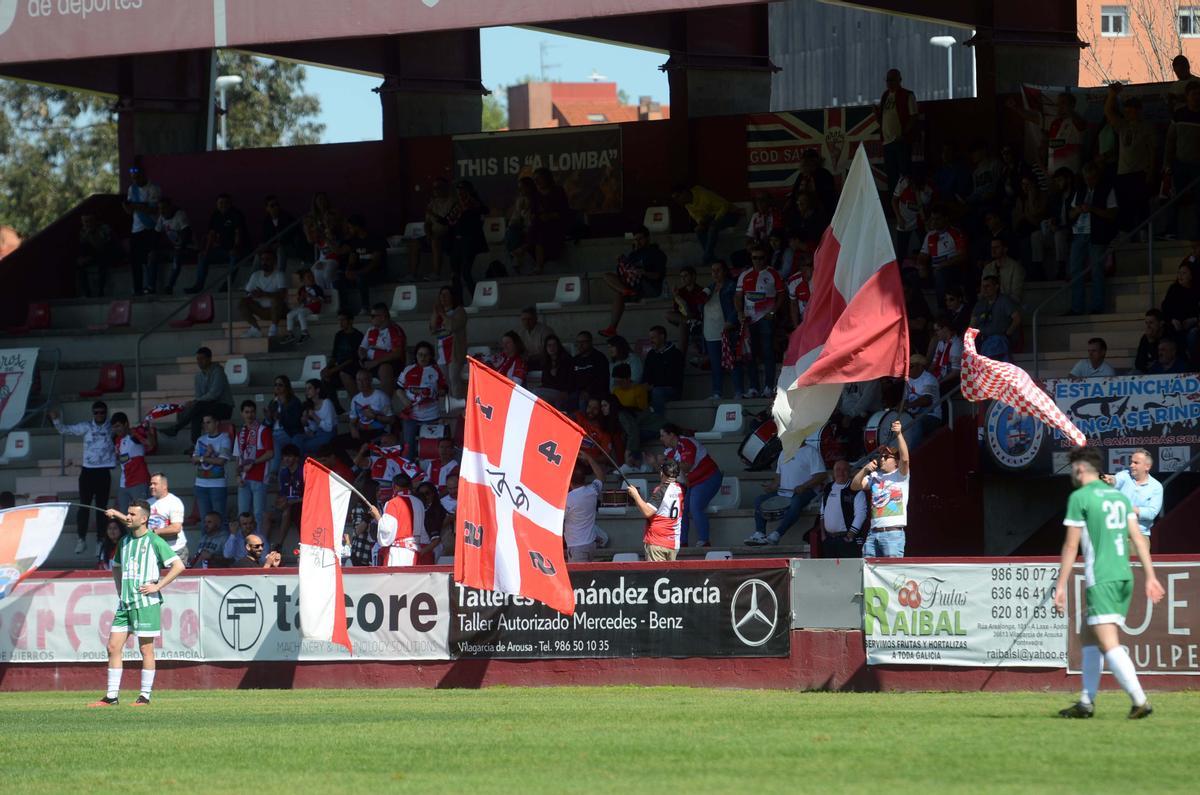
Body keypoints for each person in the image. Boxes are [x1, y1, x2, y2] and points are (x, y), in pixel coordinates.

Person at [1054, 446, 1164, 720]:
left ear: (1080, 470)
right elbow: (1138, 539)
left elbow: (1070, 545)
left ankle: (1140, 701)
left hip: (1102, 576)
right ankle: (1086, 702)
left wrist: (1060, 586)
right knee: (1087, 633)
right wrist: (1150, 576)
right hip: (1123, 574)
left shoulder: (1080, 497)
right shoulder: (1119, 498)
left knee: (1108, 642)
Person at [90, 500, 185, 706]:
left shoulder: (154, 541)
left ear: (144, 519)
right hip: (125, 603)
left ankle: (144, 696)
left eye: (132, 514)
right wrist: (119, 588)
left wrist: (158, 586)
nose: (129, 517)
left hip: (146, 602)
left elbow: (178, 565)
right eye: (128, 514)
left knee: (146, 649)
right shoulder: (124, 541)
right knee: (113, 646)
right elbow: (116, 566)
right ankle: (112, 697)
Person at [49, 403, 115, 554]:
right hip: (87, 472)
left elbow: (126, 433)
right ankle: (81, 539)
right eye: (96, 412)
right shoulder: (86, 426)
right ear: (93, 413)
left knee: (101, 508)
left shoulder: (112, 428)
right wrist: (56, 420)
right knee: (84, 506)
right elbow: (64, 430)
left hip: (104, 472)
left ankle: (100, 541)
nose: (99, 415)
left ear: (106, 413)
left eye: (102, 412)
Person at [745, 439, 827, 546]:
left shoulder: (811, 452)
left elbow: (821, 475)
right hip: (783, 493)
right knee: (759, 500)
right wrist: (771, 486)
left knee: (796, 501)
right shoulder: (784, 453)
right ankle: (760, 533)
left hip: (807, 492)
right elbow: (779, 476)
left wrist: (804, 486)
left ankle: (777, 534)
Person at [851, 420, 910, 558]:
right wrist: (865, 470)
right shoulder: (874, 476)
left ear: (895, 462)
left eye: (886, 456)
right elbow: (854, 486)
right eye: (880, 456)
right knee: (868, 569)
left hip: (893, 533)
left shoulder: (900, 475)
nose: (881, 459)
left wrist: (899, 434)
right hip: (873, 532)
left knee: (892, 572)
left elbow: (905, 459)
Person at [1103, 84, 1158, 233]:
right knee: (1124, 208)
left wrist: (1151, 173)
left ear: (1139, 111)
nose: (1127, 115)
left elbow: (1153, 151)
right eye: (1126, 112)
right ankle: (1126, 237)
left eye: (1131, 112)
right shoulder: (1122, 126)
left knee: (1141, 208)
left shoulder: (1148, 127)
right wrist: (1112, 94)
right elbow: (1108, 112)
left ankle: (1144, 238)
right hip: (1123, 173)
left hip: (1140, 173)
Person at [1066, 162, 1118, 316]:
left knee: (1097, 270)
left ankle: (1097, 306)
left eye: (1092, 178)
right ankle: (1076, 307)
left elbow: (1113, 214)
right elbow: (1070, 214)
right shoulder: (1080, 190)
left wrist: (1093, 209)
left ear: (1097, 177)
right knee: (1075, 270)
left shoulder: (1107, 189)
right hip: (1079, 234)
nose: (1089, 181)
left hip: (1097, 235)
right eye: (1087, 178)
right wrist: (1078, 210)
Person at [660, 423, 723, 547]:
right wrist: (656, 464)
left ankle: (704, 541)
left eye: (662, 435)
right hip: (692, 483)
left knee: (695, 506)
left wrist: (667, 462)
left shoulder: (686, 442)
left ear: (672, 435)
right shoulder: (668, 452)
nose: (660, 439)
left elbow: (687, 465)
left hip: (708, 477)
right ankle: (682, 542)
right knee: (681, 509)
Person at [599, 225, 668, 338]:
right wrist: (622, 262)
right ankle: (612, 328)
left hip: (650, 286)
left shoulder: (657, 254)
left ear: (648, 238)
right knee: (607, 277)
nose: (637, 242)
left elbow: (657, 276)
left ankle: (626, 291)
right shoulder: (633, 254)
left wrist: (643, 272)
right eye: (635, 239)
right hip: (633, 286)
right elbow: (624, 272)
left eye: (640, 239)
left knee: (621, 292)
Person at [735, 244, 784, 397]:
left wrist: (773, 311)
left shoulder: (773, 273)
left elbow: (782, 295)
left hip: (765, 318)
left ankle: (769, 387)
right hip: (749, 320)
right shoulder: (744, 275)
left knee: (768, 352)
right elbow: (738, 296)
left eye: (761, 257)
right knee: (750, 353)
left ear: (766, 258)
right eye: (754, 258)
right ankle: (754, 388)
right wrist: (739, 312)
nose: (757, 261)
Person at [163, 347, 235, 443]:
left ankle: (176, 428)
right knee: (196, 413)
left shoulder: (218, 372)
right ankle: (195, 444)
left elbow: (214, 394)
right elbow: (199, 397)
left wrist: (195, 402)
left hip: (224, 407)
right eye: (198, 359)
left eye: (202, 358)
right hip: (206, 407)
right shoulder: (198, 377)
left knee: (197, 407)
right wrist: (194, 403)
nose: (199, 361)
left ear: (209, 359)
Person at [187, 193, 248, 293]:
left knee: (235, 257)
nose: (223, 205)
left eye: (226, 203)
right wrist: (206, 250)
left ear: (230, 204)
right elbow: (211, 234)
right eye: (220, 203)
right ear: (217, 204)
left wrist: (236, 247)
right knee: (202, 257)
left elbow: (238, 232)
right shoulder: (215, 215)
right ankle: (198, 286)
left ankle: (226, 287)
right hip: (222, 250)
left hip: (238, 249)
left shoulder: (236, 214)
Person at [397, 341, 448, 458]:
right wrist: (405, 400)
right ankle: (408, 473)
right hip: (411, 416)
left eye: (426, 355)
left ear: (431, 356)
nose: (423, 357)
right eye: (420, 354)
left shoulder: (436, 370)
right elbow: (398, 388)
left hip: (431, 416)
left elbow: (444, 390)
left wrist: (434, 393)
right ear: (416, 355)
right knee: (408, 447)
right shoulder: (408, 370)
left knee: (429, 449)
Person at [628, 458, 685, 562]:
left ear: (661, 473)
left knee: (656, 577)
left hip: (657, 542)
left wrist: (636, 495)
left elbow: (647, 512)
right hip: (674, 543)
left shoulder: (660, 490)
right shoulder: (681, 488)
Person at [700, 261, 741, 399]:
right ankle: (717, 393)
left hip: (726, 330)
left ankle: (738, 392)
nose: (715, 273)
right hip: (710, 332)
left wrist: (731, 321)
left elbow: (737, 306)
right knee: (716, 365)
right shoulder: (709, 288)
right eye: (712, 270)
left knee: (732, 362)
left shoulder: (731, 286)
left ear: (724, 271)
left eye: (718, 270)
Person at [1101, 449, 1163, 540]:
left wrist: (1124, 507)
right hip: (1116, 533)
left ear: (1147, 467)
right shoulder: (1125, 474)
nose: (1131, 465)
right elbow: (1115, 480)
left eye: (1136, 463)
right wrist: (1110, 480)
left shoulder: (1156, 487)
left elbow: (1151, 513)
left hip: (1140, 535)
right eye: (1131, 462)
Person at [1166, 80, 1200, 241]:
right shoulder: (1179, 115)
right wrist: (1167, 163)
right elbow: (1170, 140)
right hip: (1180, 163)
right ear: (1187, 96)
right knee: (1175, 198)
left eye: (1199, 94)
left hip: (1198, 166)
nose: (1197, 97)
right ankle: (1171, 231)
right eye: (1194, 94)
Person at [672, 183, 738, 265]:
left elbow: (724, 205)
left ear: (684, 193)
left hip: (729, 214)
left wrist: (716, 220)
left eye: (678, 197)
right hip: (711, 218)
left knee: (713, 227)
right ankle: (711, 257)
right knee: (699, 230)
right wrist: (702, 223)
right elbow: (698, 218)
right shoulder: (688, 205)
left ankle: (707, 256)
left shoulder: (703, 195)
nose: (677, 201)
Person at [877, 68, 918, 195]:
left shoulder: (908, 95)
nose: (888, 82)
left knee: (904, 174)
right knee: (892, 176)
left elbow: (914, 116)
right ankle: (894, 204)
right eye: (887, 80)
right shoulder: (885, 96)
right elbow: (883, 119)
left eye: (891, 80)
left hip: (900, 141)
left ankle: (907, 201)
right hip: (887, 142)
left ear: (899, 80)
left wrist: (903, 135)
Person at [234, 401, 273, 532]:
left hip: (259, 478)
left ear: (255, 413)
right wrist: (237, 475)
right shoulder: (240, 434)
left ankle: (259, 543)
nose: (249, 415)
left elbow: (270, 453)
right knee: (242, 515)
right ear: (242, 414)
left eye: (252, 412)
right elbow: (238, 458)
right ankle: (244, 545)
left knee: (258, 514)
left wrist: (253, 462)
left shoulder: (263, 430)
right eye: (246, 412)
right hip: (244, 479)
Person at [918, 207, 968, 309]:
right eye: (932, 219)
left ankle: (942, 310)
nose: (934, 222)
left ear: (945, 219)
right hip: (934, 269)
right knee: (911, 277)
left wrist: (943, 265)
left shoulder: (955, 233)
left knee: (940, 274)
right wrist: (921, 265)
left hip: (952, 269)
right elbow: (922, 255)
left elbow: (962, 255)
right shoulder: (930, 235)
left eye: (938, 219)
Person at [122, 164, 161, 296]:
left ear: (144, 175)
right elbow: (129, 210)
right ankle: (137, 288)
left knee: (151, 258)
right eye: (133, 178)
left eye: (137, 177)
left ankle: (151, 286)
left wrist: (135, 206)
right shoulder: (131, 189)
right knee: (135, 261)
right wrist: (133, 206)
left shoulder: (153, 188)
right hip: (136, 230)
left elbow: (153, 209)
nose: (135, 180)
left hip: (150, 228)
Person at [818, 459, 868, 558]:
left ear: (850, 472)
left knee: (850, 571)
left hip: (847, 539)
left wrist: (850, 536)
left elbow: (861, 514)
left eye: (845, 470)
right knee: (831, 571)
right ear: (833, 472)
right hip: (829, 540)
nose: (841, 472)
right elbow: (822, 513)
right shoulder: (828, 488)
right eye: (838, 469)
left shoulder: (855, 490)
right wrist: (823, 535)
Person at [449, 180, 489, 302]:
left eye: (463, 190)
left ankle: (476, 300)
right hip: (457, 242)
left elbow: (484, 211)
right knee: (455, 275)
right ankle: (458, 302)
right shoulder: (457, 205)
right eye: (458, 190)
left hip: (470, 242)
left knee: (466, 273)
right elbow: (450, 220)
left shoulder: (475, 203)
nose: (460, 193)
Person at [377, 473, 429, 567]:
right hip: (415, 550)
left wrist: (377, 517)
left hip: (398, 553)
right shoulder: (419, 502)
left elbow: (387, 530)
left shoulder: (393, 503)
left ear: (395, 486)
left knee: (396, 580)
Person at [338, 214, 386, 314]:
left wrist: (358, 273)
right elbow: (352, 259)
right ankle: (344, 308)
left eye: (350, 227)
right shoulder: (354, 240)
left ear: (357, 226)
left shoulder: (375, 238)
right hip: (360, 271)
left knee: (361, 277)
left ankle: (365, 306)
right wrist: (348, 270)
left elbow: (375, 262)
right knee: (339, 279)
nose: (349, 230)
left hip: (376, 272)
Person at [411, 177, 457, 281]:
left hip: (449, 235)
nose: (435, 190)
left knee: (435, 240)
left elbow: (447, 222)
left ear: (446, 188)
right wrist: (428, 234)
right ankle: (412, 275)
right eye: (434, 188)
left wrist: (432, 213)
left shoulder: (452, 202)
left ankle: (436, 273)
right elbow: (427, 223)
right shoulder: (432, 203)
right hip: (433, 234)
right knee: (415, 243)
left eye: (438, 187)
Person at [145, 196, 192, 296]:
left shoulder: (179, 215)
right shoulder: (161, 217)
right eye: (160, 209)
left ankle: (170, 286)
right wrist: (152, 249)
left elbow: (187, 233)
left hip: (187, 249)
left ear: (170, 207)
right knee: (152, 255)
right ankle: (150, 287)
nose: (161, 211)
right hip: (173, 249)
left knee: (177, 255)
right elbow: (156, 235)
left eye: (164, 208)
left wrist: (180, 247)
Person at [358, 303, 407, 396]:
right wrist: (364, 360)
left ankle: (386, 405)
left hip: (391, 363)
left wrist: (376, 362)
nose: (370, 319)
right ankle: (362, 403)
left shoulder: (395, 330)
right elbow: (362, 348)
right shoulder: (371, 330)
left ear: (383, 317)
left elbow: (397, 353)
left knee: (384, 368)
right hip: (370, 362)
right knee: (356, 372)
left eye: (373, 316)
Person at [238, 248, 287, 339]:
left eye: (268, 259)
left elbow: (283, 295)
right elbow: (248, 291)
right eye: (263, 259)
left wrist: (264, 294)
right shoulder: (256, 275)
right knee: (242, 302)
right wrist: (252, 294)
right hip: (261, 310)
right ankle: (255, 329)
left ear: (274, 261)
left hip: (278, 311)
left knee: (276, 300)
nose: (265, 262)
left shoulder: (279, 274)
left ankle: (273, 328)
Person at [528, 167, 570, 274]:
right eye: (535, 179)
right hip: (539, 227)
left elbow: (564, 211)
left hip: (556, 226)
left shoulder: (558, 191)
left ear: (546, 178)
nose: (537, 181)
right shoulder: (535, 195)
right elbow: (533, 213)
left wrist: (550, 216)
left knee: (540, 231)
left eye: (539, 178)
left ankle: (538, 265)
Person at [564, 456, 605, 562]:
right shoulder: (593, 491)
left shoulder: (568, 499)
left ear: (570, 480)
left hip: (576, 546)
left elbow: (558, 519)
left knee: (578, 578)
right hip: (591, 544)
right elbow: (601, 476)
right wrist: (589, 458)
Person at [429, 284, 468, 396]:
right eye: (441, 295)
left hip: (454, 352)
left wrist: (442, 314)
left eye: (446, 295)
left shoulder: (459, 311)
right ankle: (451, 406)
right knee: (446, 382)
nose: (443, 297)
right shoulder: (437, 313)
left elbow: (452, 326)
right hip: (441, 353)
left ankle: (459, 407)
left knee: (454, 379)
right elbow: (432, 330)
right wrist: (436, 314)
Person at [971, 275, 1022, 360]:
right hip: (983, 341)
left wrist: (1007, 334)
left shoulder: (1004, 301)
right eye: (983, 286)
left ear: (996, 287)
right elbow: (972, 325)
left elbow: (1017, 319)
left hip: (999, 340)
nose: (984, 289)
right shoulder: (980, 304)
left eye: (988, 286)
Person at [192, 414, 231, 524]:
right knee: (205, 521)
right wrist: (207, 456)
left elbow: (221, 461)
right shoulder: (201, 439)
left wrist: (202, 458)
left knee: (220, 519)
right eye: (204, 423)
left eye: (208, 422)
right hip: (200, 484)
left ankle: (221, 541)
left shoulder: (224, 438)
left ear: (216, 423)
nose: (205, 425)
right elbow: (193, 460)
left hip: (218, 485)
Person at [266, 445, 304, 555]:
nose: (286, 459)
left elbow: (309, 496)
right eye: (284, 457)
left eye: (289, 456)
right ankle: (262, 545)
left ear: (296, 458)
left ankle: (279, 544)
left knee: (287, 511)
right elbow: (281, 493)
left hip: (300, 505)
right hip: (286, 504)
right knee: (266, 515)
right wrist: (279, 502)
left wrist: (292, 502)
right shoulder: (283, 473)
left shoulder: (303, 472)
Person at [110, 412, 150, 513]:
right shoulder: (117, 439)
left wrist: (147, 431)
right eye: (114, 427)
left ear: (126, 424)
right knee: (124, 517)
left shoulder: (135, 434)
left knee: (141, 515)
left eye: (118, 426)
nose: (116, 429)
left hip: (139, 481)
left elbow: (150, 444)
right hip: (124, 483)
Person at [323, 310, 365, 404]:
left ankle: (357, 403)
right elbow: (334, 355)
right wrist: (327, 368)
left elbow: (352, 359)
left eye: (343, 320)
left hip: (353, 366)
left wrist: (333, 370)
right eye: (339, 320)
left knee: (344, 372)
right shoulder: (339, 335)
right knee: (325, 377)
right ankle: (337, 408)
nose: (340, 323)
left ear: (350, 321)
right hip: (339, 367)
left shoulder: (358, 336)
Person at [642, 325, 684, 415]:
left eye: (653, 338)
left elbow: (674, 378)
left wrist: (654, 386)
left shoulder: (675, 354)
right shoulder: (651, 354)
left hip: (672, 390)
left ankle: (658, 422)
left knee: (657, 392)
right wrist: (645, 383)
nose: (651, 341)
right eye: (650, 338)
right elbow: (646, 374)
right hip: (653, 388)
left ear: (662, 337)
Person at [266, 376, 304, 475]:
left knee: (273, 439)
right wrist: (268, 418)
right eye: (275, 385)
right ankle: (274, 470)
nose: (277, 387)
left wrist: (280, 417)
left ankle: (273, 469)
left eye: (280, 385)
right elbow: (268, 423)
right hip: (275, 432)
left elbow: (295, 422)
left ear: (286, 387)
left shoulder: (294, 402)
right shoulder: (273, 402)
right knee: (269, 438)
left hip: (288, 432)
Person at [666, 266, 707, 357]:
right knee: (668, 314)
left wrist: (689, 316)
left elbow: (699, 312)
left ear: (693, 277)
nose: (683, 279)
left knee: (683, 325)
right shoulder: (680, 292)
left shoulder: (701, 291)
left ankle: (680, 361)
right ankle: (689, 322)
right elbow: (677, 312)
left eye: (685, 276)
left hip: (697, 320)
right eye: (681, 276)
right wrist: (677, 297)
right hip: (686, 319)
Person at [1161, 259, 1200, 354]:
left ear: (1191, 275)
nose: (1180, 276)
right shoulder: (1173, 289)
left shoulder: (1197, 290)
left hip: (1194, 325)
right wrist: (1172, 320)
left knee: (1193, 334)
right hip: (1175, 325)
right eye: (1179, 273)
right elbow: (1165, 308)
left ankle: (1192, 363)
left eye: (1184, 273)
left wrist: (1195, 320)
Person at [903, 355, 941, 447]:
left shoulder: (929, 379)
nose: (908, 369)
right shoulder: (908, 380)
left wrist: (908, 405)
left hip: (931, 416)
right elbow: (904, 400)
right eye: (907, 366)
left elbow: (927, 400)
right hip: (913, 416)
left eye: (910, 366)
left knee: (914, 425)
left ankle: (913, 454)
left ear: (920, 366)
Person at [77, 213, 119, 297]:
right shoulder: (83, 231)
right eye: (85, 222)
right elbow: (83, 247)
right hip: (94, 255)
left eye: (89, 221)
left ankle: (101, 292)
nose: (87, 224)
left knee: (102, 262)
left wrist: (91, 235)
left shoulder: (104, 228)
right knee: (79, 266)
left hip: (107, 254)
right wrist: (83, 258)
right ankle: (87, 294)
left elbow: (104, 247)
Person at [281, 269, 327, 345]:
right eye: (309, 277)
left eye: (312, 276)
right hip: (304, 307)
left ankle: (305, 333)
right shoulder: (301, 289)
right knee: (289, 315)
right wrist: (302, 298)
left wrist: (310, 296)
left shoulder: (317, 288)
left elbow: (321, 300)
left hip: (314, 308)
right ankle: (290, 333)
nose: (311, 278)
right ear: (303, 280)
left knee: (301, 313)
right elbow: (299, 301)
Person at [348, 369, 393, 443]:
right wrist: (353, 428)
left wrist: (375, 417)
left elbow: (391, 419)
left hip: (379, 432)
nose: (361, 383)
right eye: (358, 380)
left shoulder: (381, 396)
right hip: (362, 432)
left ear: (370, 380)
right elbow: (352, 421)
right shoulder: (355, 399)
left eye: (364, 380)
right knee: (336, 441)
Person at [569, 331, 610, 408]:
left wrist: (588, 391)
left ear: (590, 342)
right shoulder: (575, 360)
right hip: (577, 392)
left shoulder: (600, 358)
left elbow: (602, 379)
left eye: (583, 342)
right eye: (578, 342)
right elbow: (570, 379)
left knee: (583, 400)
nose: (580, 345)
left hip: (595, 392)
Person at [980, 236, 1025, 305]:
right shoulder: (988, 268)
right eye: (992, 248)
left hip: (1009, 307)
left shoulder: (1015, 267)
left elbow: (1016, 295)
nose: (993, 250)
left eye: (996, 247)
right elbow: (983, 291)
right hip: (990, 306)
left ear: (1005, 249)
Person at [300, 378, 338, 456]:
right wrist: (306, 424)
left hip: (329, 434)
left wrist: (314, 416)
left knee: (306, 446)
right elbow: (314, 427)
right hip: (317, 433)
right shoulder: (308, 405)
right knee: (298, 440)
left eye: (309, 388)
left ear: (317, 390)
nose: (307, 391)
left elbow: (329, 428)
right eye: (306, 389)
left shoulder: (327, 403)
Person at [1134, 309, 1176, 374]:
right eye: (1146, 323)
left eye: (1151, 323)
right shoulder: (1145, 338)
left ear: (1161, 323)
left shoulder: (1170, 334)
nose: (1148, 326)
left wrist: (1151, 342)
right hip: (1148, 372)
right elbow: (1138, 363)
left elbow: (1166, 359)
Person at [927, 314, 964, 387]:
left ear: (945, 329)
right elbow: (934, 363)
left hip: (950, 382)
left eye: (937, 330)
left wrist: (939, 383)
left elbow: (955, 372)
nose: (935, 333)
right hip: (938, 377)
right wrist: (925, 377)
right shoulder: (941, 342)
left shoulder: (956, 345)